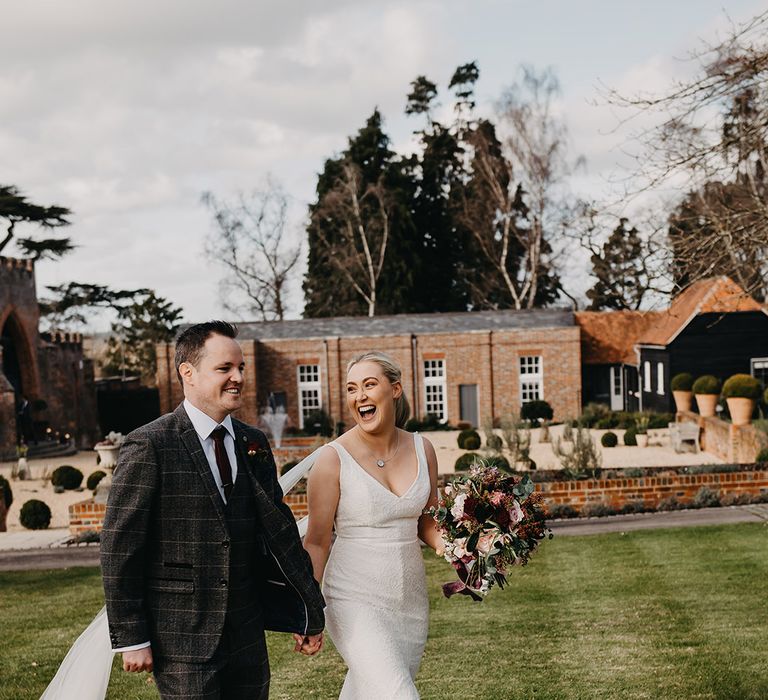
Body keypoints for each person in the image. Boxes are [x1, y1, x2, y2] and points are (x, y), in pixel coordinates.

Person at [100, 321, 325, 699]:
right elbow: (119, 546)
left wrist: (306, 610)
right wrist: (132, 636)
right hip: (181, 639)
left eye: (240, 368)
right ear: (187, 373)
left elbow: (281, 533)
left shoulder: (253, 443)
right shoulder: (150, 445)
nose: (238, 377)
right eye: (225, 369)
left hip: (247, 633)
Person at [303, 351, 444, 700]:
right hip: (352, 597)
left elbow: (428, 521)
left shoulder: (421, 447)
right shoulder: (332, 458)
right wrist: (306, 608)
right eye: (352, 389)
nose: (359, 396)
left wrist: (460, 549)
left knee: (366, 692)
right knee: (399, 695)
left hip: (409, 601)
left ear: (394, 389)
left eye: (369, 385)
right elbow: (317, 541)